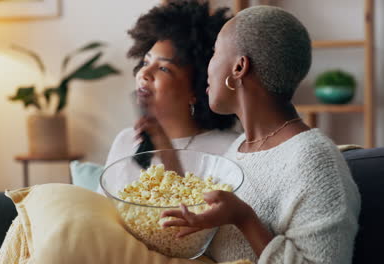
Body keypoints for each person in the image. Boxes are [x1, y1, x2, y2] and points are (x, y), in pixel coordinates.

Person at [162, 6, 361, 264]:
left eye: (214, 53)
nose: (206, 68)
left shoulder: (316, 161)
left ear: (239, 67)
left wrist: (245, 219)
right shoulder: (237, 150)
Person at [103, 1, 239, 170]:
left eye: (163, 68)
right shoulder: (125, 141)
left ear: (197, 89)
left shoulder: (228, 149)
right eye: (146, 62)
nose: (144, 73)